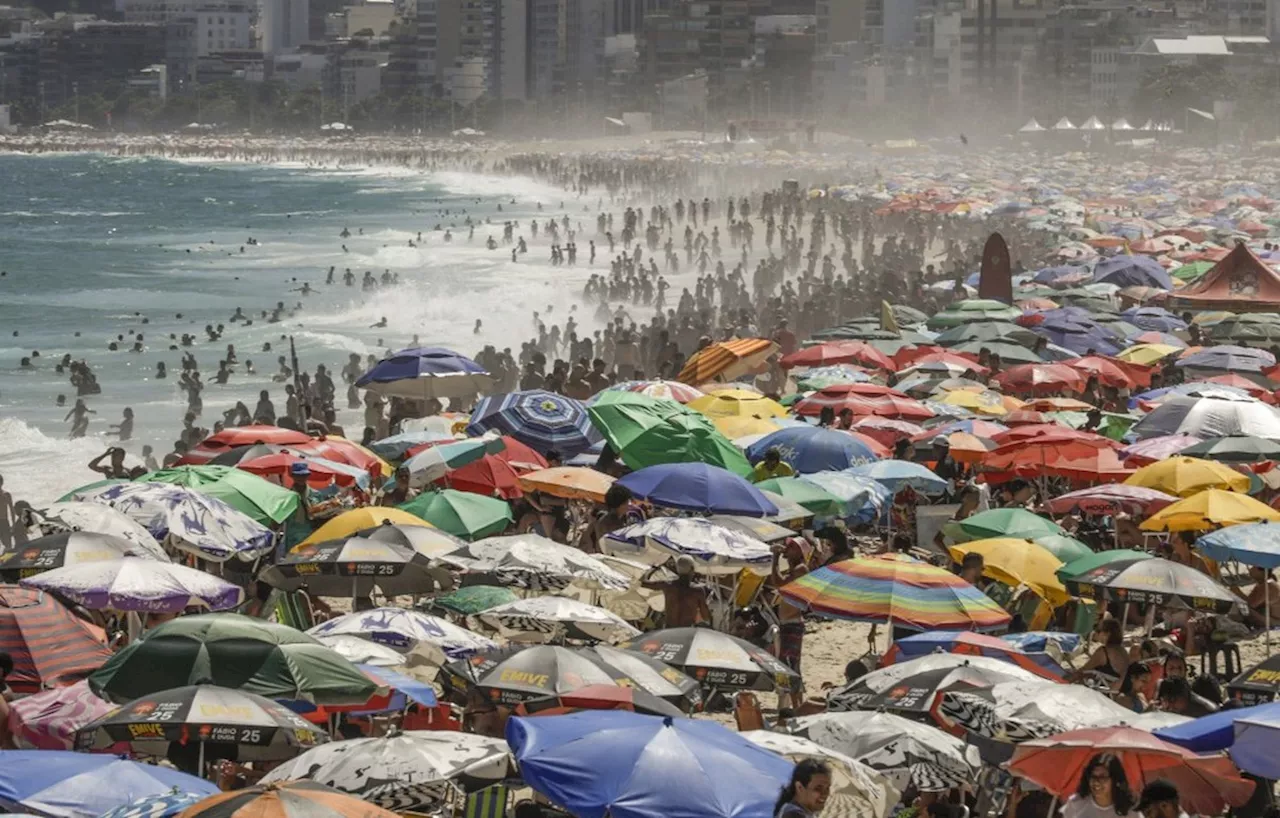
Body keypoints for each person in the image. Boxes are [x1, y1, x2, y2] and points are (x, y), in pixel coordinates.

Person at [641, 555, 711, 628]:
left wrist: (653, 568)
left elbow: (643, 583)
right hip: (685, 632)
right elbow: (706, 617)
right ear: (692, 569)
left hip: (669, 630)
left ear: (677, 569)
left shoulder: (668, 585)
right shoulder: (697, 591)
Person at [1062, 753, 1133, 818]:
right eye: (1093, 776)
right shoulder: (1075, 803)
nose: (1096, 782)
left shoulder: (1130, 811)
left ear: (1115, 780)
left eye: (1102, 777)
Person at [1072, 618, 1129, 689]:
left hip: (1103, 691)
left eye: (1098, 630)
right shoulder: (1123, 650)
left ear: (1107, 634)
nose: (1095, 632)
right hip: (1115, 690)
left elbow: (1083, 671)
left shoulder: (1103, 652)